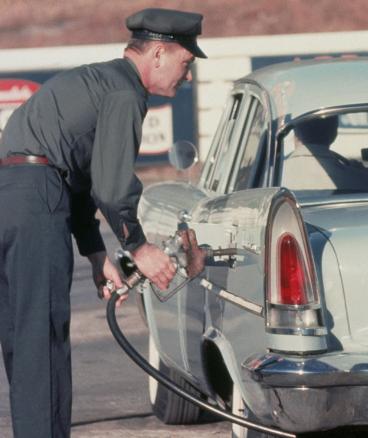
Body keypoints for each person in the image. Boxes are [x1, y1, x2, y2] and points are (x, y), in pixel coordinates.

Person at [0, 8, 206, 437]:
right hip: (34, 199)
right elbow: (111, 187)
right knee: (42, 344)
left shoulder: (97, 80)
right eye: (186, 64)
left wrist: (95, 253)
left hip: (13, 190)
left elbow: (74, 174)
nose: (186, 77)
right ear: (159, 55)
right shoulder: (125, 93)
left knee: (23, 342)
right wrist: (140, 247)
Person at [282, 115, 368, 191]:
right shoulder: (358, 178)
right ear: (334, 135)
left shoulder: (275, 175)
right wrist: (363, 174)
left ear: (296, 134)